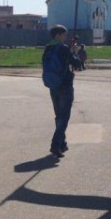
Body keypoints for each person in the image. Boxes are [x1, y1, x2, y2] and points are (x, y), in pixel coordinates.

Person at [43, 24, 74, 158]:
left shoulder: (48, 48)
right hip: (65, 85)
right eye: (64, 34)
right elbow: (76, 63)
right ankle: (55, 144)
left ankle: (62, 143)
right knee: (64, 117)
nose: (66, 37)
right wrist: (75, 54)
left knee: (58, 115)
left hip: (53, 85)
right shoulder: (64, 48)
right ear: (58, 35)